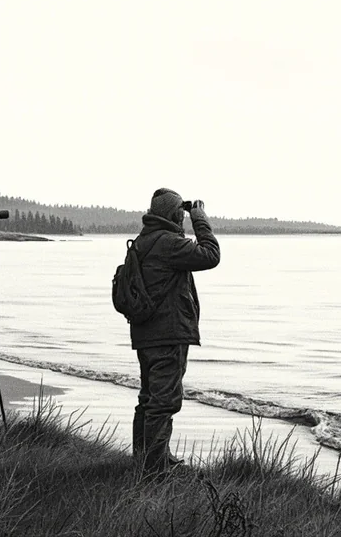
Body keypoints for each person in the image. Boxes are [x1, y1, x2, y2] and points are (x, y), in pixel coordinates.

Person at [130, 188, 221, 477]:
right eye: (179, 214)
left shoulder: (145, 241)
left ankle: (148, 461)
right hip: (167, 334)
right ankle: (155, 471)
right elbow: (211, 254)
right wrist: (199, 216)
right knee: (164, 401)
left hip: (145, 333)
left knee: (149, 399)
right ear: (173, 215)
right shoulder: (168, 243)